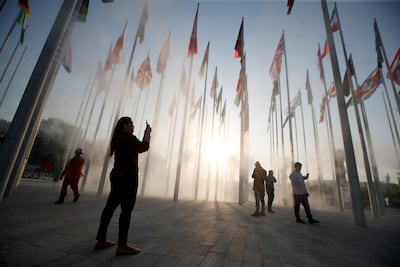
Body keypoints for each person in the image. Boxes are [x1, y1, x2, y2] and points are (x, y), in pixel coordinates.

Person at [94, 117, 151, 256]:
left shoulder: (118, 138)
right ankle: (122, 245)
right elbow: (143, 147)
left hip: (117, 176)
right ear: (125, 126)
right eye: (131, 124)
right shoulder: (128, 138)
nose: (133, 126)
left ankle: (101, 240)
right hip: (128, 178)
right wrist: (147, 133)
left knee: (109, 209)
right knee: (126, 211)